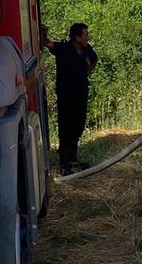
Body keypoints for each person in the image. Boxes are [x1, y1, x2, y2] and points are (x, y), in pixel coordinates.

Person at [43, 22, 98, 175]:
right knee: (65, 128)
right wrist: (43, 33)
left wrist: (86, 74)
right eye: (85, 35)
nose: (88, 37)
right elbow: (48, 44)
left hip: (81, 94)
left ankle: (73, 158)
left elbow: (94, 60)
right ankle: (64, 163)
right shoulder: (64, 49)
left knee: (78, 126)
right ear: (77, 37)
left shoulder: (87, 49)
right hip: (66, 96)